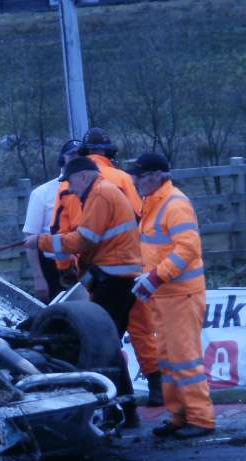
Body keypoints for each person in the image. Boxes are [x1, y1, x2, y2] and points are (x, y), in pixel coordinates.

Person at [25, 156, 143, 427]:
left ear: (83, 177)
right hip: (117, 277)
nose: (70, 190)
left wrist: (40, 241)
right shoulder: (101, 193)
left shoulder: (100, 194)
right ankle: (125, 408)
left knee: (100, 343)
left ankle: (119, 409)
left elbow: (84, 240)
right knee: (109, 342)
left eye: (70, 183)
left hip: (115, 279)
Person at [128, 152, 215, 439]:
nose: (135, 180)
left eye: (139, 175)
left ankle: (200, 419)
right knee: (167, 359)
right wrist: (150, 280)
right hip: (165, 295)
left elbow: (187, 248)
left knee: (185, 359)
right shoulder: (154, 203)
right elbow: (160, 250)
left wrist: (154, 277)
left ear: (157, 176)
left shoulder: (174, 204)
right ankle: (179, 416)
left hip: (181, 295)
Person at [80, 128, 162, 406]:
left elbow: (65, 229)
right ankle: (155, 386)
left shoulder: (68, 183)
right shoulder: (123, 179)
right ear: (109, 152)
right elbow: (140, 216)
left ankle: (112, 393)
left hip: (93, 270)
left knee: (100, 334)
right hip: (132, 266)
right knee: (140, 327)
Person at [22, 140, 80, 303]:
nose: (77, 159)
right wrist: (39, 278)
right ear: (63, 159)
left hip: (84, 264)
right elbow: (30, 240)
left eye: (81, 155)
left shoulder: (92, 191)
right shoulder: (42, 193)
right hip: (52, 267)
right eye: (73, 155)